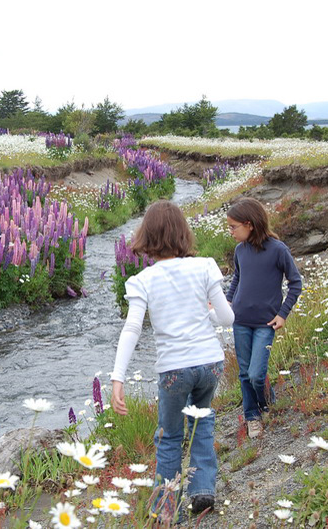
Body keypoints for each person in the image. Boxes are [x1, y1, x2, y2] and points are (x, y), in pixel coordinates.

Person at [110, 200, 234, 520]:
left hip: (173, 369)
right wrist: (204, 313)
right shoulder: (205, 265)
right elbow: (227, 318)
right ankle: (202, 488)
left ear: (146, 236)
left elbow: (132, 328)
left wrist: (117, 378)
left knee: (169, 436)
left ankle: (167, 509)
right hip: (209, 363)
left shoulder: (142, 280)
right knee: (203, 423)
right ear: (183, 233)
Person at [225, 197, 302, 439]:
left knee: (257, 374)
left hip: (266, 323)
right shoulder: (240, 250)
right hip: (240, 321)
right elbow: (238, 277)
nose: (230, 232)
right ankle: (252, 416)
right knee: (244, 372)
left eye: (233, 227)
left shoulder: (278, 250)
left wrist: (283, 314)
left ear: (249, 224)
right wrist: (227, 300)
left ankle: (267, 402)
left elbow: (296, 283)